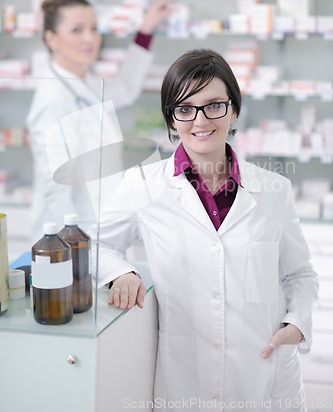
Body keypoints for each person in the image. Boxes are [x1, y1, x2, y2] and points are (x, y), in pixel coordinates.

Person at [94, 49, 319, 412]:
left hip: (265, 371)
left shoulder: (274, 189)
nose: (200, 120)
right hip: (185, 373)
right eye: (185, 108)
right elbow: (97, 245)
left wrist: (296, 324)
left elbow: (300, 274)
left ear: (234, 110)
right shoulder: (142, 186)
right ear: (172, 118)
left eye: (214, 105)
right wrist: (121, 272)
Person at [26, 0, 174, 242]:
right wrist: (67, 246)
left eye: (94, 28)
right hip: (69, 236)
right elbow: (54, 184)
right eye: (76, 30)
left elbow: (126, 88)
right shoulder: (54, 97)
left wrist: (146, 29)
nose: (90, 38)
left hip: (97, 225)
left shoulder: (87, 83)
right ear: (52, 38)